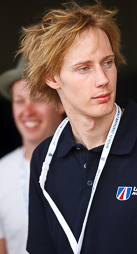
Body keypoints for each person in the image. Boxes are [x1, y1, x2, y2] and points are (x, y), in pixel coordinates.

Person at [17, 1, 137, 254]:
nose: (103, 80)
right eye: (84, 68)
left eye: (107, 62)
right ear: (52, 77)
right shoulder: (45, 159)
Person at [0, 55, 65, 254]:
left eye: (38, 99)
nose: (27, 111)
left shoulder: (89, 164)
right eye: (19, 101)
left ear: (61, 103)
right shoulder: (1, 174)